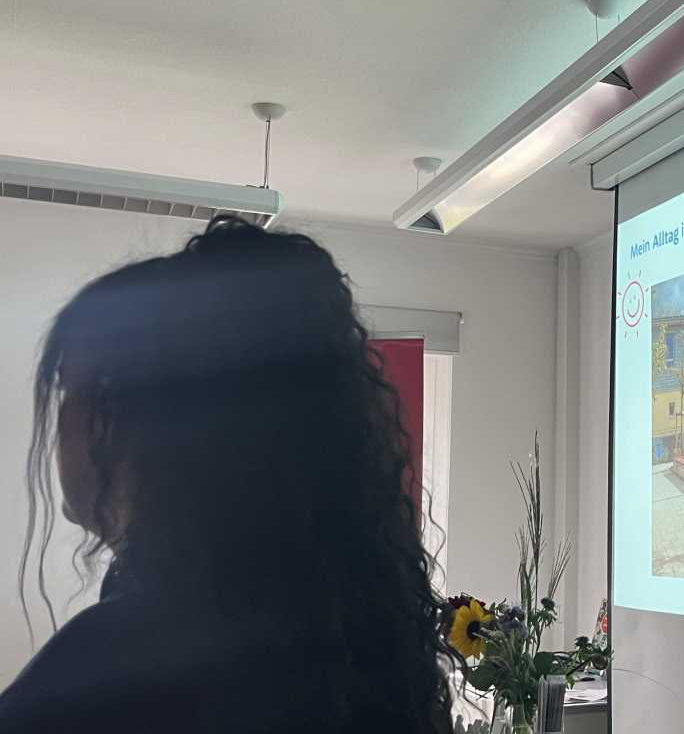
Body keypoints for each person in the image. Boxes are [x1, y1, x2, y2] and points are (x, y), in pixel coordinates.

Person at [0, 217, 459, 732]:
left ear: (123, 417)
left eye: (69, 387)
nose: (60, 417)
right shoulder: (365, 651)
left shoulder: (106, 674)